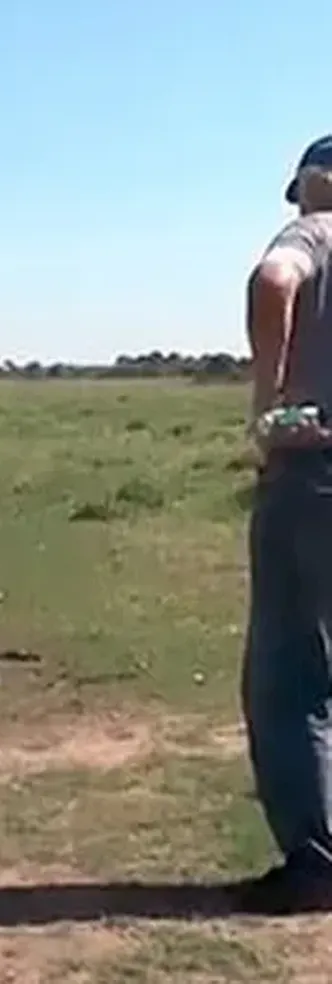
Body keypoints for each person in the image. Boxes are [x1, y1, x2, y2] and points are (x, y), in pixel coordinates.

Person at [237, 133, 332, 913]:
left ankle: (316, 861)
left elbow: (276, 279)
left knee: (291, 668)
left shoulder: (315, 230)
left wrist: (269, 408)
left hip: (317, 470)